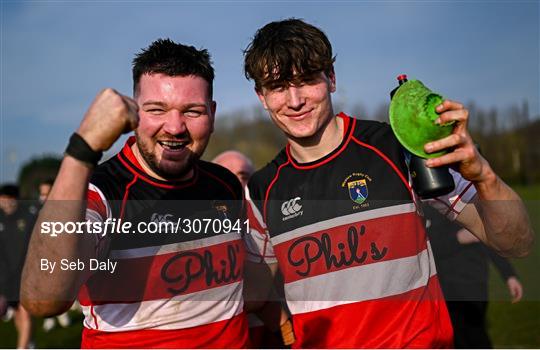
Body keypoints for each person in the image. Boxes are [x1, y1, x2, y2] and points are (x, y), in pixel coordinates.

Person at [241, 18, 534, 348]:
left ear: (331, 79)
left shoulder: (397, 148)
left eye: (307, 80)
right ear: (262, 97)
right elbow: (252, 291)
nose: (295, 101)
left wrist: (485, 177)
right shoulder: (262, 188)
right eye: (278, 87)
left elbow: (516, 243)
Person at [20, 39, 248, 348]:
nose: (175, 127)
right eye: (157, 109)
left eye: (192, 111)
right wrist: (82, 150)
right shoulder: (102, 193)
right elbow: (43, 299)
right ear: (134, 112)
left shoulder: (226, 184)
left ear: (213, 113)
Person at [425, 204, 523, 348]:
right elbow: (428, 247)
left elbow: (490, 241)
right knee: (456, 333)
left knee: (475, 330)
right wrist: (458, 238)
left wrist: (509, 275)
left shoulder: (471, 205)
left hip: (474, 281)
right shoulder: (429, 207)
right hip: (444, 283)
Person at [0, 184, 34, 348]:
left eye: (9, 199)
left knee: (25, 314)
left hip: (25, 275)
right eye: (3, 199)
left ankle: (22, 347)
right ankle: (27, 343)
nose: (6, 203)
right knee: (18, 315)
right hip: (7, 278)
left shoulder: (28, 218)